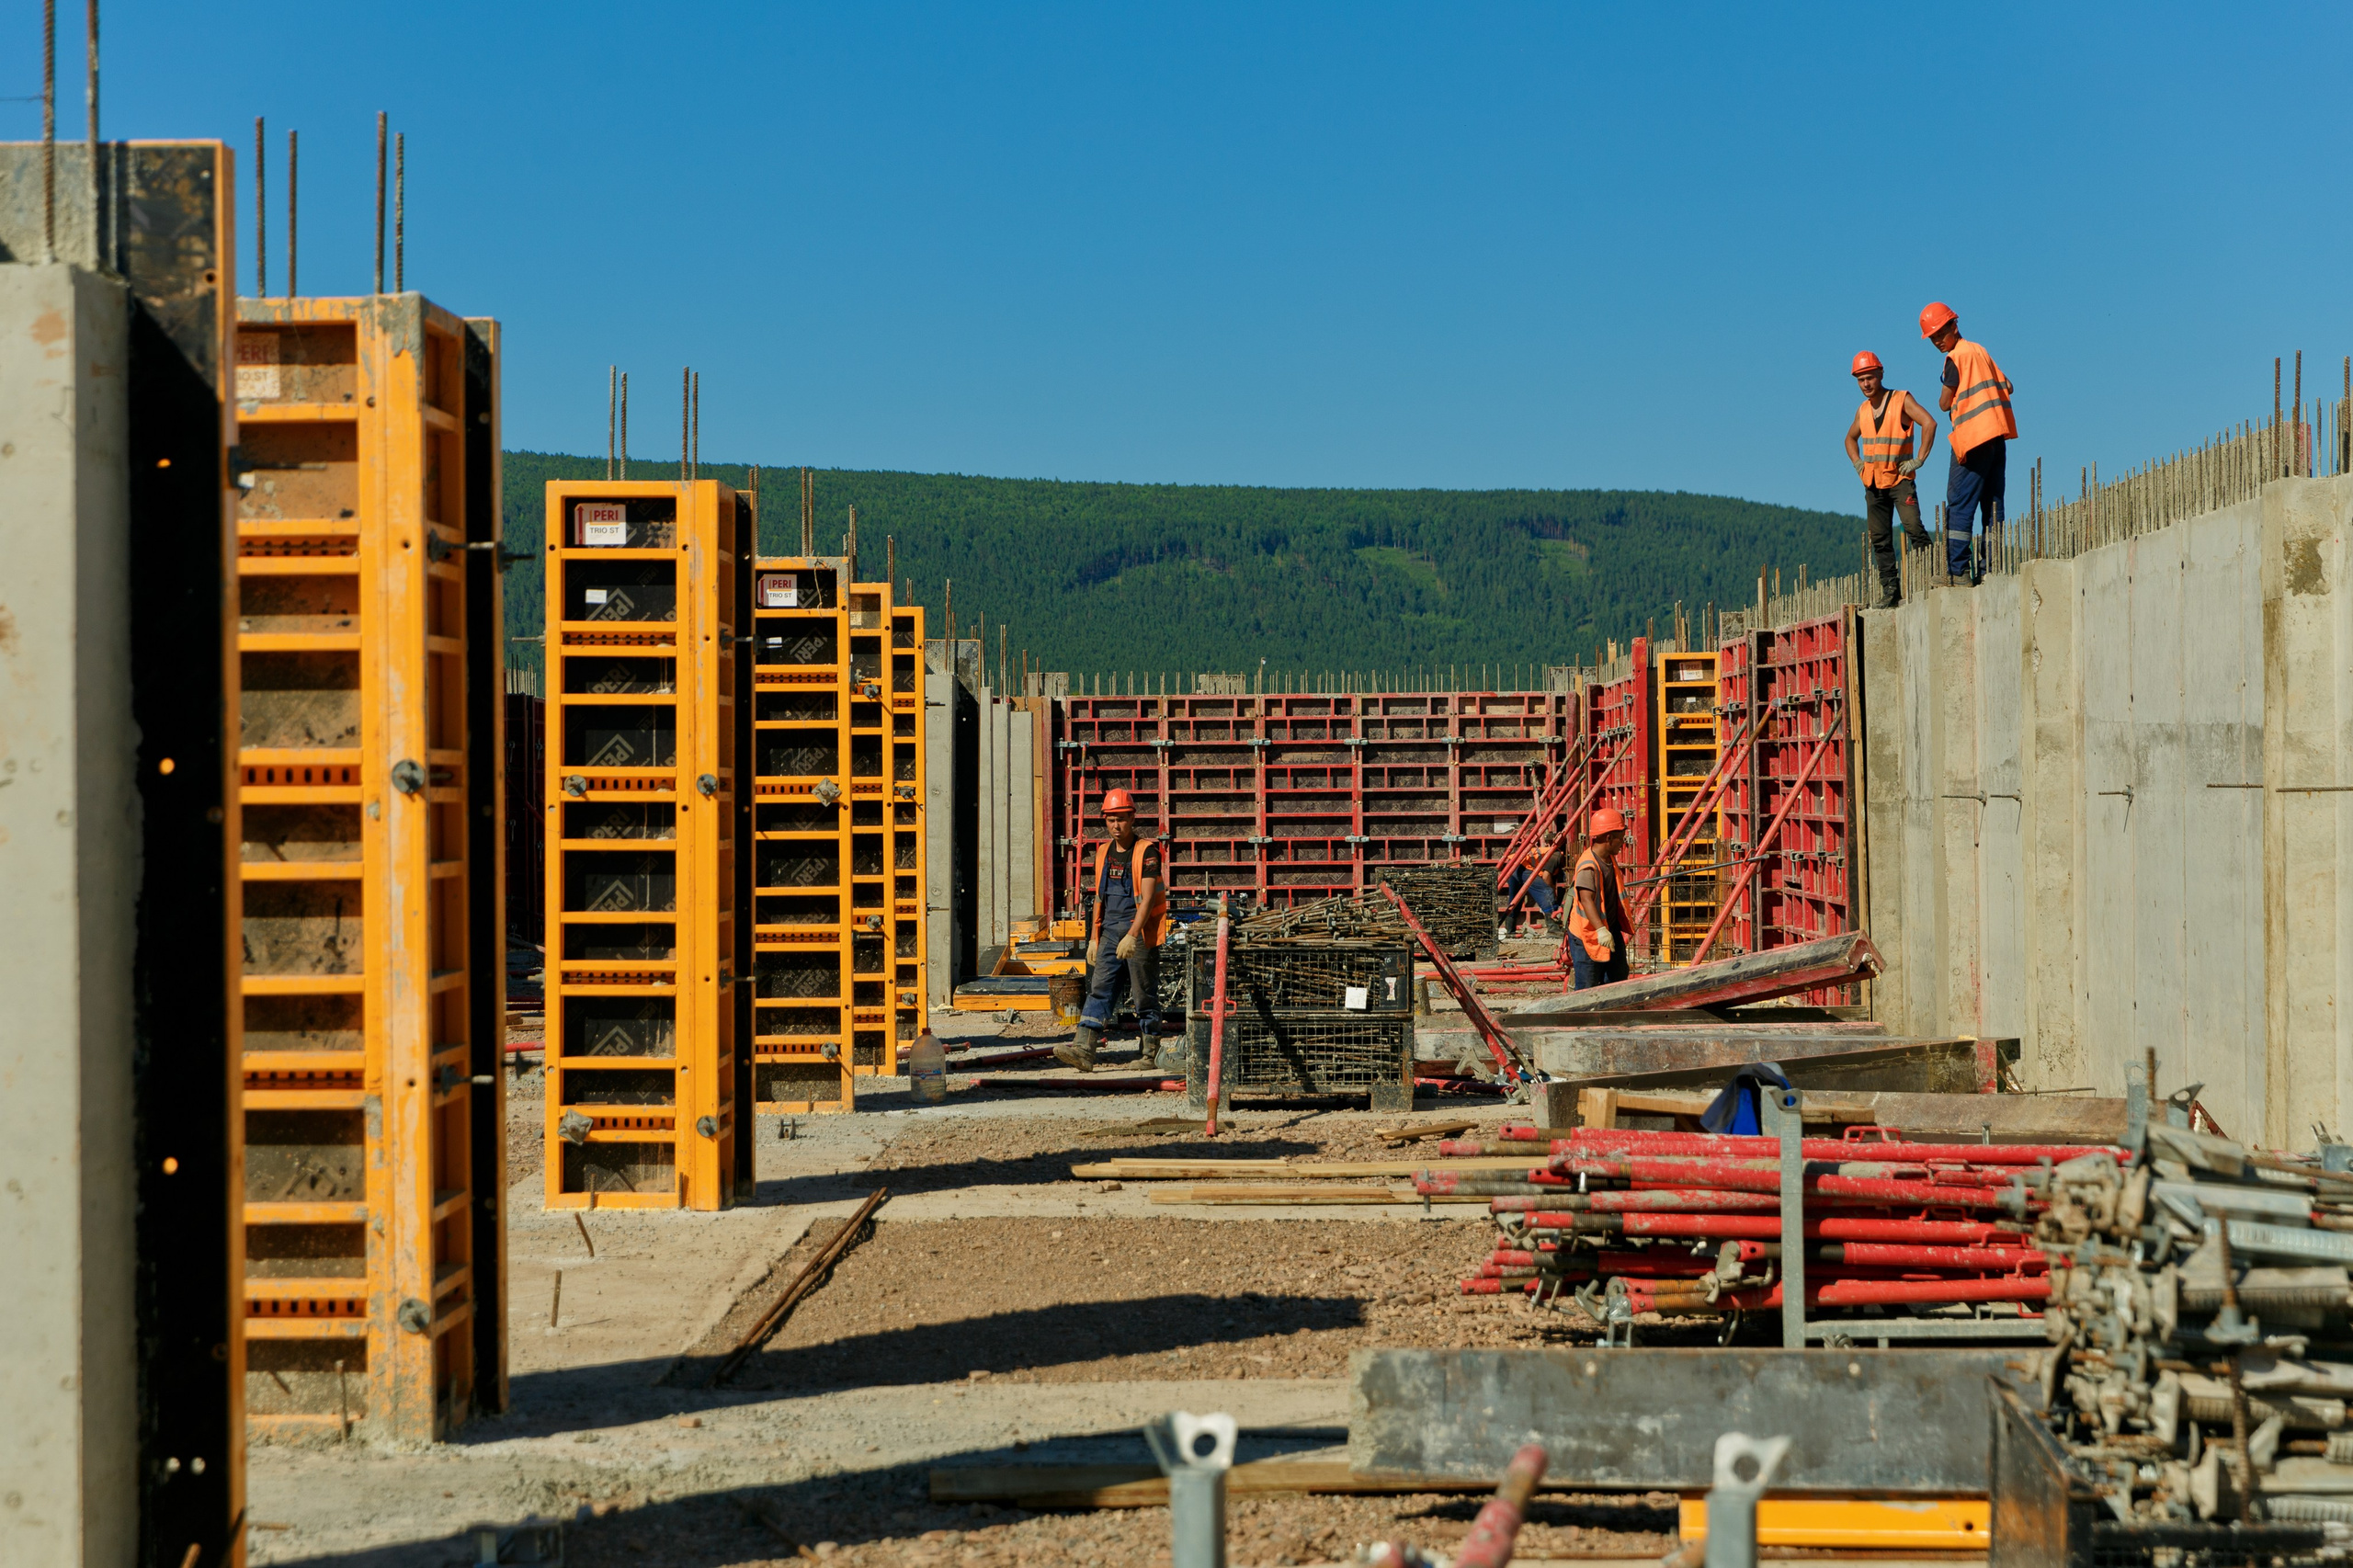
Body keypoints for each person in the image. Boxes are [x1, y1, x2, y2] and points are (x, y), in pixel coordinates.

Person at [1052, 788, 1167, 1073]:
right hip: (1109, 931)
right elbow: (1100, 898)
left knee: (1144, 994)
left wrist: (1132, 934)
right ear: (1105, 821)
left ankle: (1150, 1053)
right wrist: (1094, 938)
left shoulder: (1147, 852)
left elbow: (1149, 898)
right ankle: (1083, 1049)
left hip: (1138, 934)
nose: (1117, 826)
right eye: (1111, 820)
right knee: (1099, 989)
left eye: (1123, 819)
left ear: (1133, 819)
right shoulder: (1103, 852)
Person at [1921, 302, 2017, 585]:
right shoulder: (1980, 351)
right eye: (1933, 338)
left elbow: (1943, 403)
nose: (1938, 341)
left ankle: (1958, 572)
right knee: (1993, 504)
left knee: (1961, 504)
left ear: (1954, 326)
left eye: (1940, 334)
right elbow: (2008, 386)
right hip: (1997, 436)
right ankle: (1992, 569)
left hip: (1973, 438)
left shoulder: (1956, 357)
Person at [1843, 350, 1938, 608]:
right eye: (1861, 379)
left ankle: (1935, 575)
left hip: (1900, 480)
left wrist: (1919, 459)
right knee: (1880, 539)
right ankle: (1890, 590)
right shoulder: (1863, 411)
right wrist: (1859, 464)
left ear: (1881, 374)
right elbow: (1849, 439)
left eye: (1870, 377)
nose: (1866, 384)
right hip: (1873, 484)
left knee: (1914, 529)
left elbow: (1929, 423)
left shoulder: (1900, 400)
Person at [1568, 808, 1633, 991]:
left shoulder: (1608, 859)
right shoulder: (1588, 864)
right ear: (1609, 838)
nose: (1623, 842)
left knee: (1617, 982)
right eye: (1620, 837)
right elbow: (1586, 899)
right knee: (1587, 988)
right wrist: (1600, 930)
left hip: (1608, 928)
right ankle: (1583, 1019)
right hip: (1587, 933)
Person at [1498, 831, 1566, 938]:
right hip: (1522, 866)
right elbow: (1546, 876)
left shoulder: (1547, 851)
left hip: (1511, 865)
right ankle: (1553, 929)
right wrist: (1552, 890)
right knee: (1547, 893)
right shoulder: (1557, 855)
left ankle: (1510, 930)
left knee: (1515, 900)